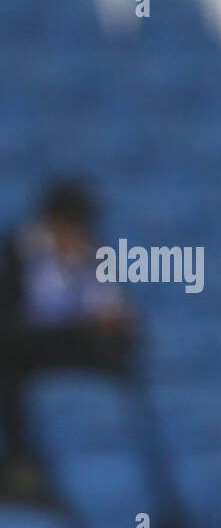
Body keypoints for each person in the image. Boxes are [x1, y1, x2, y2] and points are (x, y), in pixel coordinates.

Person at [0, 178, 136, 480]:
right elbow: (12, 320)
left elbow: (116, 312)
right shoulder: (18, 252)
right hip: (27, 348)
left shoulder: (94, 253)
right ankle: (20, 459)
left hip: (79, 346)